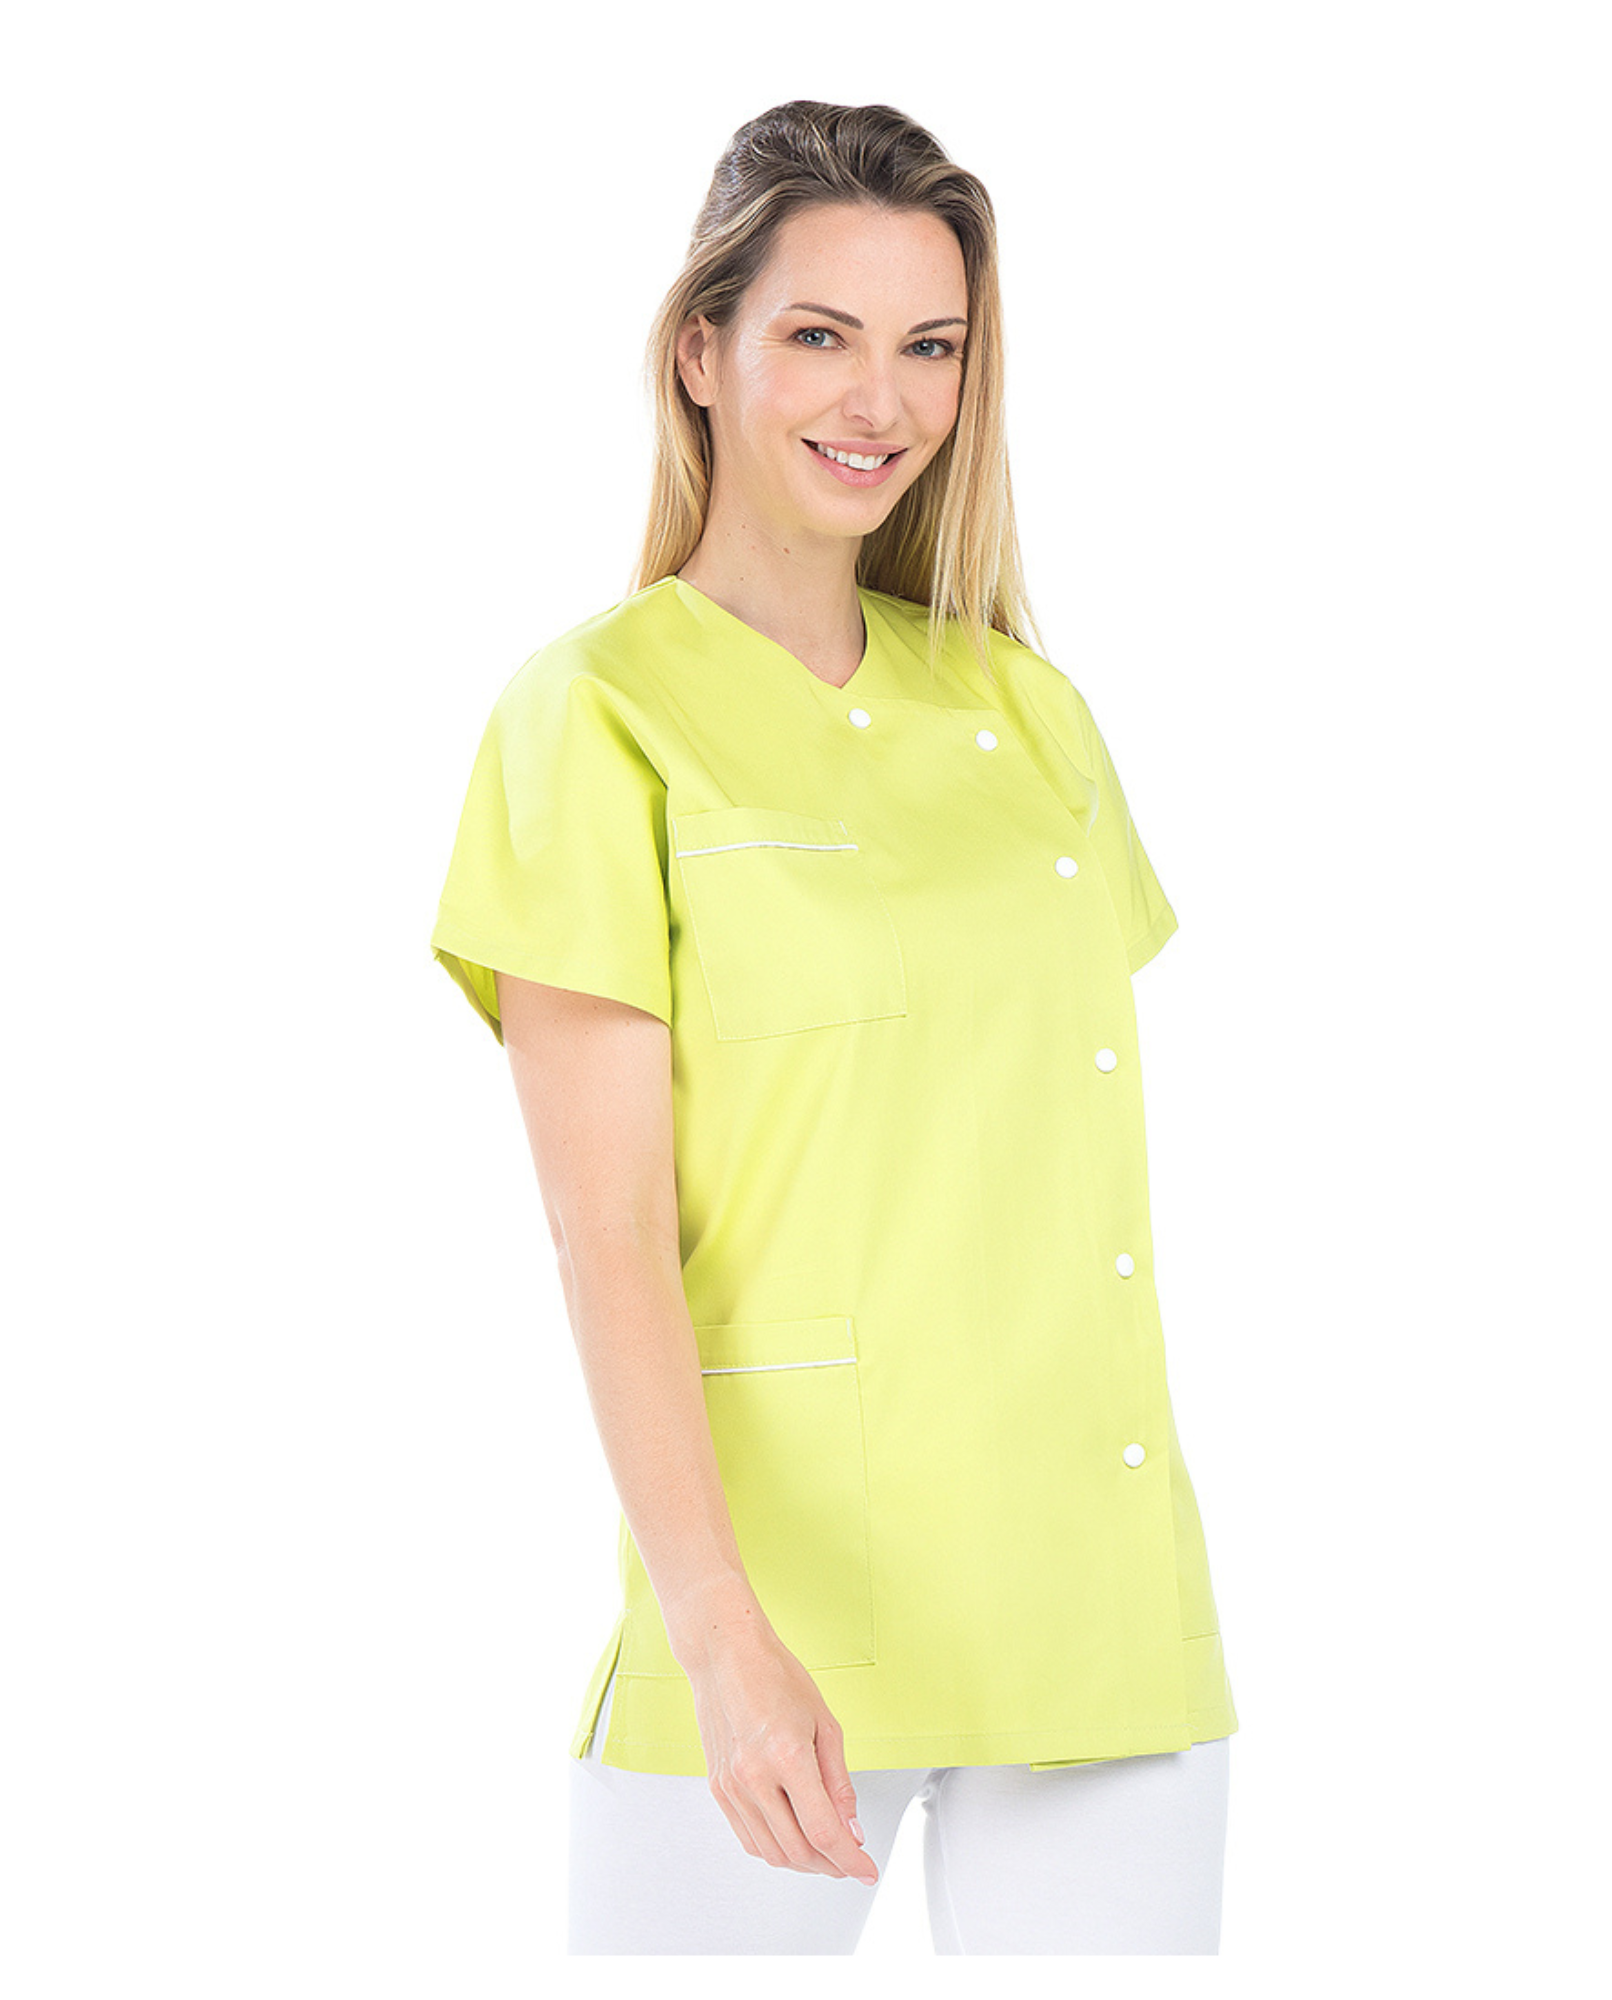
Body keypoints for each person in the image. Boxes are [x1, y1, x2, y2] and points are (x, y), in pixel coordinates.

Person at [430, 99, 1240, 1955]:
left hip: (1096, 1608)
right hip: (770, 1628)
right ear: (699, 351)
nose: (882, 399)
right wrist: (715, 1631)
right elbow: (609, 1230)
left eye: (931, 346)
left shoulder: (1032, 716)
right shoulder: (594, 717)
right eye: (820, 334)